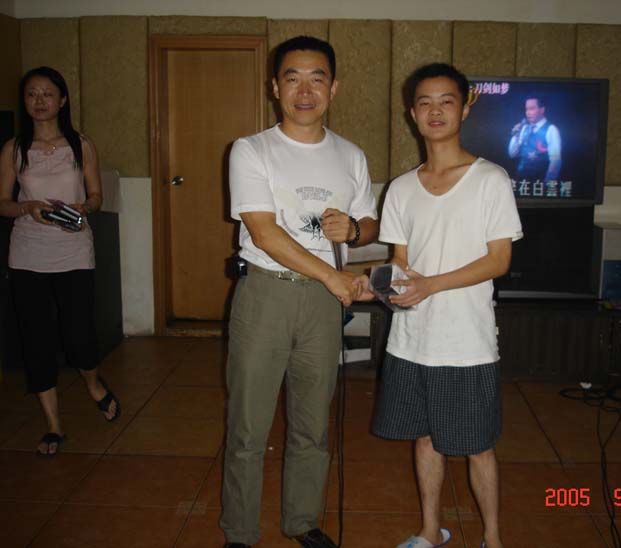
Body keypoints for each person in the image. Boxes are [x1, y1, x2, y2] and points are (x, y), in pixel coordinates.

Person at [221, 36, 378, 548]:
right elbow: (264, 233)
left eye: (316, 79)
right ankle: (240, 532)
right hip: (266, 294)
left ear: (333, 88)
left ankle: (302, 521)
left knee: (313, 422)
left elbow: (370, 223)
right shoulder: (251, 149)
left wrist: (354, 231)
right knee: (248, 425)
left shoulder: (351, 155)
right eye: (293, 78)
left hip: (321, 306)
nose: (304, 91)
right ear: (275, 87)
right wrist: (333, 276)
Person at [366, 63, 523, 548]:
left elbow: (498, 260)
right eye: (425, 103)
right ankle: (430, 531)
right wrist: (379, 284)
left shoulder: (490, 179)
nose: (435, 111)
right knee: (425, 438)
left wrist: (431, 285)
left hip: (467, 342)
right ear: (412, 114)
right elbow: (400, 262)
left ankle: (493, 539)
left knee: (478, 447)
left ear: (465, 108)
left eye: (446, 101)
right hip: (412, 339)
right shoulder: (401, 188)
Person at [0, 66, 119, 457]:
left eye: (47, 93)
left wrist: (85, 207)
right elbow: (3, 203)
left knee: (79, 334)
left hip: (74, 250)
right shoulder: (14, 149)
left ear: (62, 100)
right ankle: (54, 425)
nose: (39, 101)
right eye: (32, 94)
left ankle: (93, 383)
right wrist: (26, 207)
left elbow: (97, 195)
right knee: (36, 339)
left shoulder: (80, 145)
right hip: (27, 254)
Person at [508, 96, 561, 183]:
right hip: (521, 181)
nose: (528, 112)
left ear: (542, 110)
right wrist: (516, 135)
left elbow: (555, 160)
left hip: (540, 181)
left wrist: (547, 184)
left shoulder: (551, 130)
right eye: (527, 109)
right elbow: (512, 154)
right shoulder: (524, 128)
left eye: (532, 109)